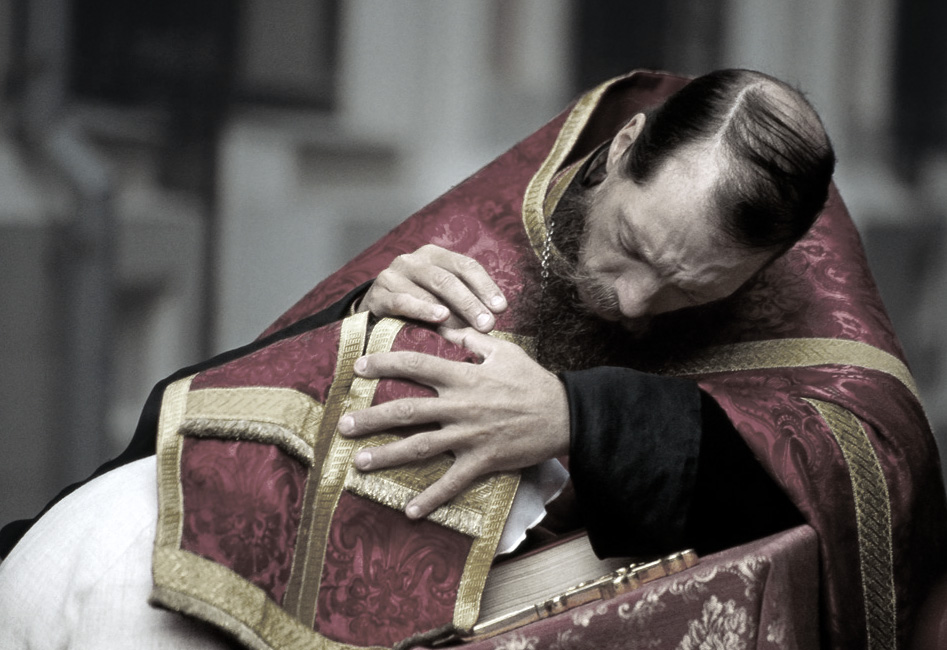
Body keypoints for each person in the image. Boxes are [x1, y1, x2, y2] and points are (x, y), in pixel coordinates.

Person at [0, 68, 943, 650]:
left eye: (690, 289)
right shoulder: (510, 212)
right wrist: (363, 316)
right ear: (621, 151)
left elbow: (871, 481)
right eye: (632, 248)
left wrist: (581, 419)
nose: (632, 303)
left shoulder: (799, 292)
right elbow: (237, 388)